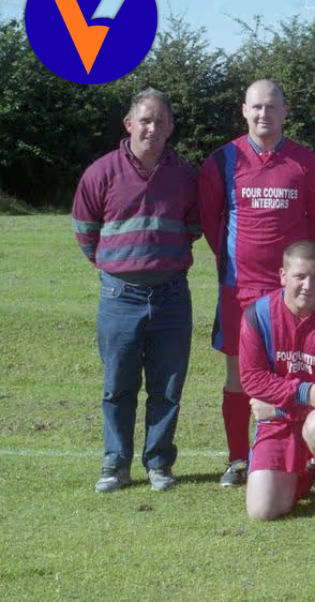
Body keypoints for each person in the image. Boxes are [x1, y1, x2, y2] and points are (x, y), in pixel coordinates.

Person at [200, 79, 315, 487]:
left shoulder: (306, 163)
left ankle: (306, 455)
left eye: (272, 107)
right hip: (239, 289)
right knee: (240, 377)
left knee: (299, 372)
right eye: (256, 107)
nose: (264, 114)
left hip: (293, 293)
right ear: (244, 110)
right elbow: (211, 222)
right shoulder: (222, 161)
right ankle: (239, 458)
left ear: (284, 111)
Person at [72, 88, 199, 492]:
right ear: (129, 125)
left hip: (172, 296)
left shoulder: (185, 175)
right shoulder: (101, 171)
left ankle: (159, 462)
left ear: (171, 128)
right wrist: (117, 267)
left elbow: (194, 227)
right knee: (118, 385)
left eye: (161, 121)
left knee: (167, 386)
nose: (152, 127)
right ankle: (115, 463)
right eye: (145, 119)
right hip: (120, 297)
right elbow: (85, 230)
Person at [239, 241, 315, 526]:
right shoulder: (257, 315)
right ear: (283, 275)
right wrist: (305, 392)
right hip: (281, 421)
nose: (308, 285)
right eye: (300, 276)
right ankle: (308, 469)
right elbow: (252, 379)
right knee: (263, 510)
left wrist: (279, 407)